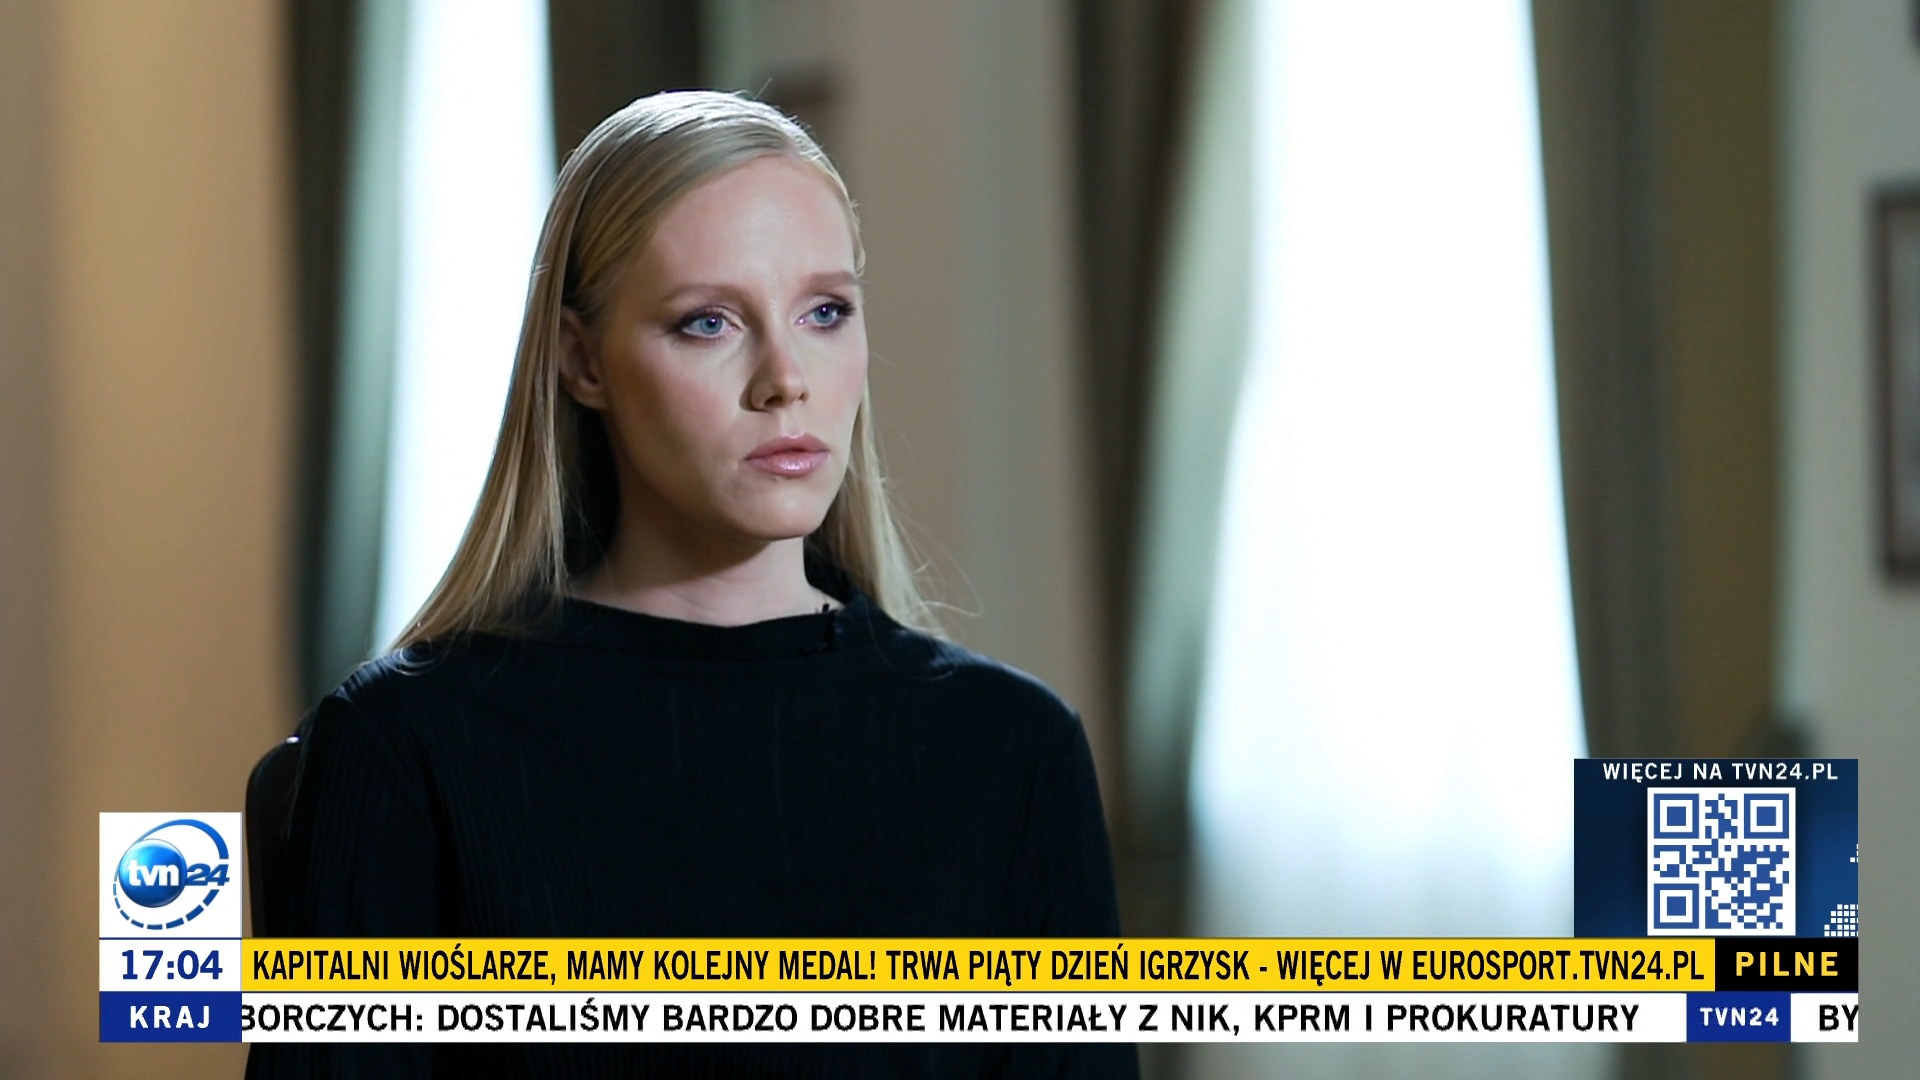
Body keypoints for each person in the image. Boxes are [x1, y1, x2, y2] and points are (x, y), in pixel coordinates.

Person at [246, 90, 1135, 1078]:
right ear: (582, 361)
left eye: (825, 312)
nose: (786, 379)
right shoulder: (407, 747)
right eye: (708, 322)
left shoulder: (1012, 752)